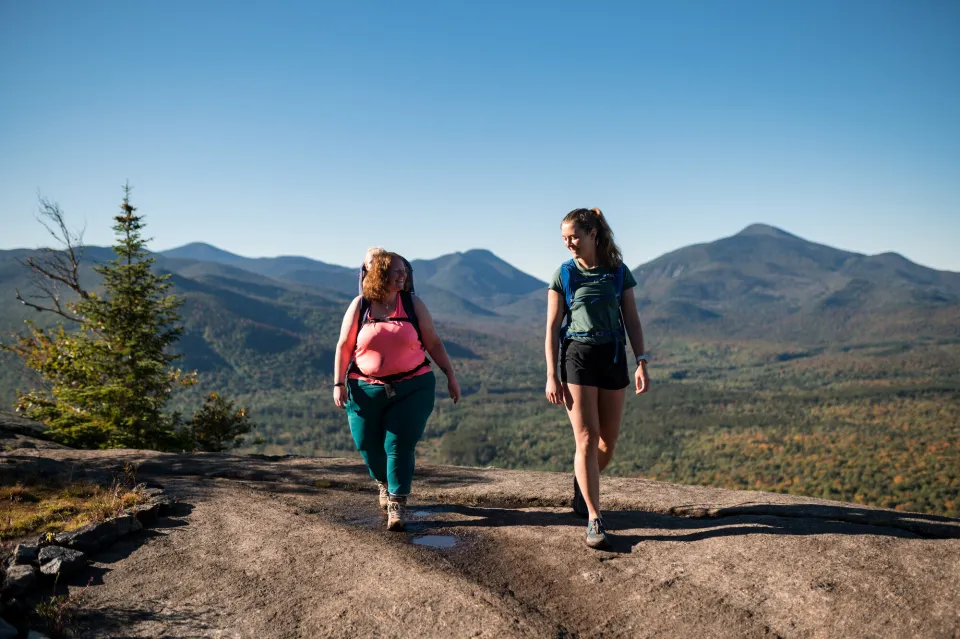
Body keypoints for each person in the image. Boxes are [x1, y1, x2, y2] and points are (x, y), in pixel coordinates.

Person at [544, 208, 650, 549]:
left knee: (608, 443)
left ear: (594, 235)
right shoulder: (564, 274)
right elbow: (550, 329)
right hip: (577, 356)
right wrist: (551, 375)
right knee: (586, 440)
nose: (570, 244)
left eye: (574, 236)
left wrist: (641, 360)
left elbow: (632, 320)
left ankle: (582, 480)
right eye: (564, 239)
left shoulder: (618, 273)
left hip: (613, 355)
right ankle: (594, 517)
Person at [334, 251, 460, 531]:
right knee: (367, 444)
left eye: (405, 271)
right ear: (379, 274)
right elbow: (344, 346)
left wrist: (450, 375)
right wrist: (338, 383)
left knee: (399, 446)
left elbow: (434, 343)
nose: (403, 275)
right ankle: (383, 482)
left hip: (413, 386)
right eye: (396, 271)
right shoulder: (361, 306)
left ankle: (397, 503)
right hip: (364, 387)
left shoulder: (413, 304)